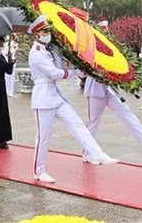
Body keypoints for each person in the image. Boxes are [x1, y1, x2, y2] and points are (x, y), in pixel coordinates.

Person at [28, 14, 119, 184]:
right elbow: (54, 73)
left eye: (49, 30)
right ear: (36, 35)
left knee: (77, 123)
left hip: (55, 95)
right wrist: (76, 73)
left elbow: (60, 64)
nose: (48, 34)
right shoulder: (36, 53)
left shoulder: (49, 50)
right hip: (43, 96)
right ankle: (39, 171)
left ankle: (97, 153)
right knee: (43, 136)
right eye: (45, 31)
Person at [4, 33, 18, 97]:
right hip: (6, 60)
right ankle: (6, 90)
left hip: (12, 60)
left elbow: (13, 51)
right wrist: (6, 52)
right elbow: (3, 52)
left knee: (11, 77)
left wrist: (10, 51)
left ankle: (11, 91)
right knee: (6, 77)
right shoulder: (5, 44)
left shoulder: (15, 44)